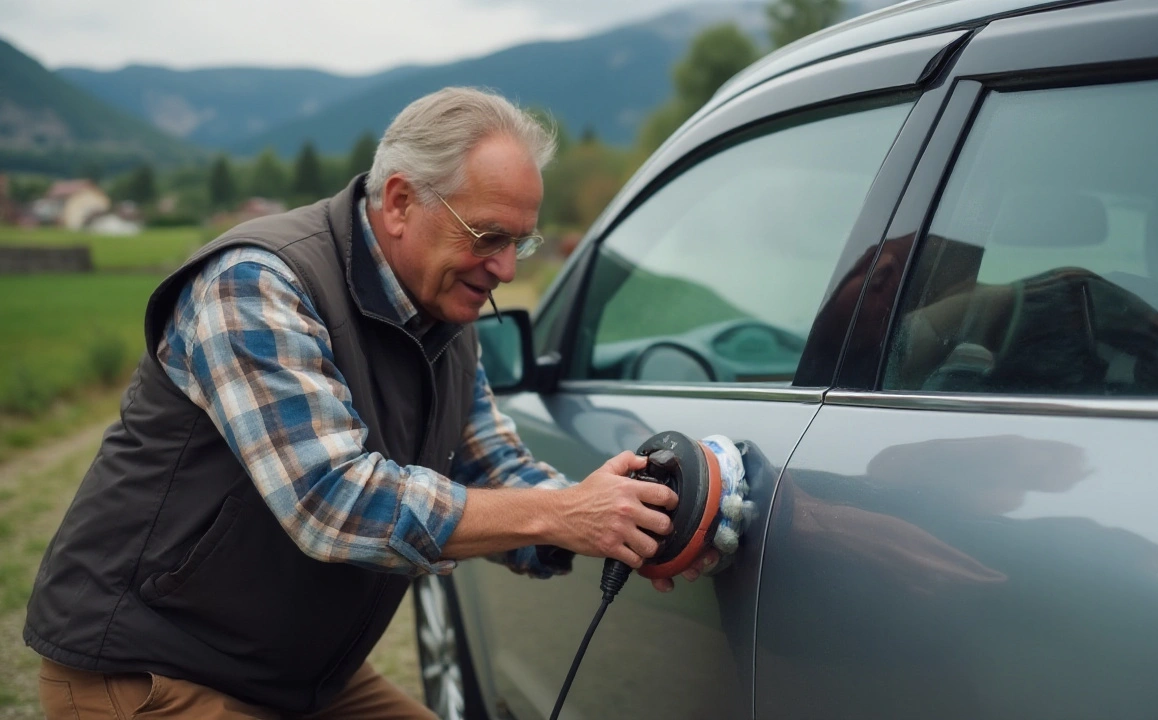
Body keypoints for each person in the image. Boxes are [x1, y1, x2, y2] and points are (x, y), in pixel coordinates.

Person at [25, 87, 712, 719]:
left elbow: (490, 466)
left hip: (290, 672)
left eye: (520, 241)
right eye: (488, 237)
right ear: (400, 202)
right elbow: (333, 501)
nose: (507, 268)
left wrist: (618, 523)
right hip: (154, 666)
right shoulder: (257, 283)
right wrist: (562, 515)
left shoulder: (447, 315)